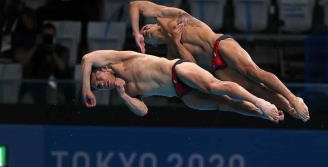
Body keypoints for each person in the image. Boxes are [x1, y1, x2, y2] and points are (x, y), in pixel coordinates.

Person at [129, 0, 310, 122]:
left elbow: (135, 5)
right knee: (253, 88)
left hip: (218, 44)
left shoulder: (170, 16)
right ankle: (287, 108)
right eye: (146, 40)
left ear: (150, 24)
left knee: (253, 72)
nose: (146, 35)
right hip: (215, 67)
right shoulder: (171, 52)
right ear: (153, 44)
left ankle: (293, 98)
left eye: (145, 31)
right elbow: (191, 65)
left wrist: (135, 32)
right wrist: (177, 43)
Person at [82, 50, 285, 122]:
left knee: (215, 87)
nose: (101, 85)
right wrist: (124, 95)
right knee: (224, 105)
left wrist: (86, 90)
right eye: (99, 88)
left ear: (102, 69)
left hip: (177, 70)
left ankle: (262, 103)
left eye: (97, 81)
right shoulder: (126, 90)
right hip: (181, 93)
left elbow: (87, 58)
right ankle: (264, 114)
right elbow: (143, 111)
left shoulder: (118, 60)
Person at [18, 22, 73, 103]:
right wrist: (35, 46)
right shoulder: (36, 49)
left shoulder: (62, 50)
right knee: (26, 101)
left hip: (56, 85)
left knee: (53, 97)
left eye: (50, 36)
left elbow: (62, 67)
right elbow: (24, 63)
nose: (48, 38)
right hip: (36, 85)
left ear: (55, 36)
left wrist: (53, 51)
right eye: (46, 36)